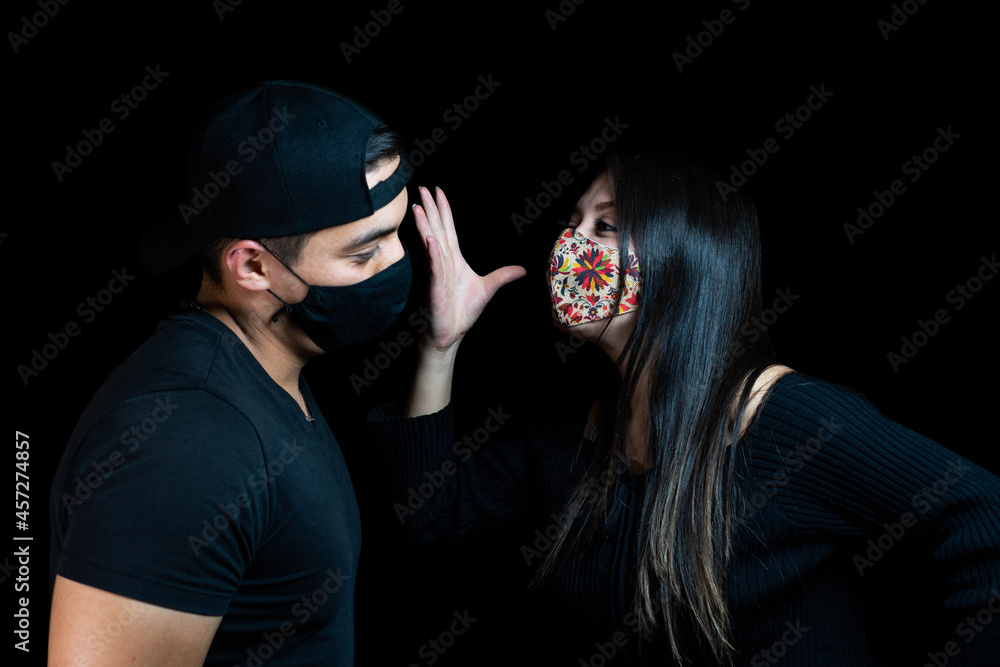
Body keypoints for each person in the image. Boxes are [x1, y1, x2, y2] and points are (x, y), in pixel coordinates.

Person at [367, 149, 1000, 665]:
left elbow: (985, 522)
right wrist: (441, 342)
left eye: (605, 226)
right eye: (574, 221)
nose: (569, 243)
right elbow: (425, 519)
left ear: (683, 258)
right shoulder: (577, 445)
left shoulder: (794, 422)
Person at [48, 80, 412, 666]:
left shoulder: (267, 369)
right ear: (252, 266)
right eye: (364, 252)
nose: (397, 264)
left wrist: (443, 346)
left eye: (398, 234)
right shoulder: (188, 443)